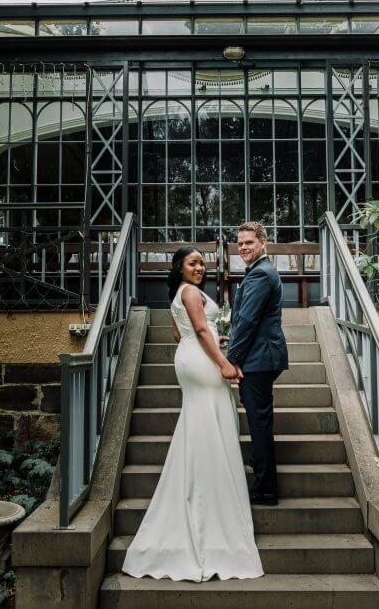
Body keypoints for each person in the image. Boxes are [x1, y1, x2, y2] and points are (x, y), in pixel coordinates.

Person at [121, 247, 264, 582]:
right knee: (211, 426)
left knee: (202, 425)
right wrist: (224, 361)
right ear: (180, 267)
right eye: (193, 262)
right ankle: (210, 509)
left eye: (202, 262)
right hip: (202, 361)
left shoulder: (179, 293)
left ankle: (200, 492)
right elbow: (200, 332)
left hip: (189, 356)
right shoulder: (191, 293)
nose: (200, 267)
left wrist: (217, 335)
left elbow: (182, 333)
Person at [226, 221, 289, 507]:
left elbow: (248, 321)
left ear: (263, 243)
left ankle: (265, 489)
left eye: (249, 242)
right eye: (240, 243)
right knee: (259, 421)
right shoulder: (259, 272)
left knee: (259, 423)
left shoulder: (261, 274)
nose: (243, 247)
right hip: (260, 356)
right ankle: (265, 485)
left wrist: (231, 360)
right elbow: (244, 319)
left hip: (259, 359)